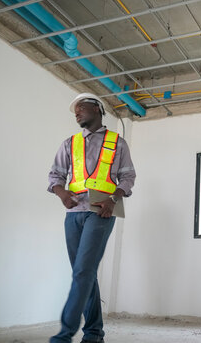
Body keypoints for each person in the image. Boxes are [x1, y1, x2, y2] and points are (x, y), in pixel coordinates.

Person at [48, 93, 136, 343]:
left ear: (97, 109)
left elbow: (128, 177)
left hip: (102, 211)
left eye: (81, 108)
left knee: (83, 271)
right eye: (75, 110)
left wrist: (114, 198)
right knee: (83, 273)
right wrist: (62, 193)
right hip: (73, 213)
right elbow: (55, 175)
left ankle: (64, 335)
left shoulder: (117, 143)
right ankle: (95, 333)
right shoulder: (70, 143)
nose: (76, 113)